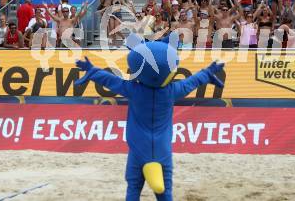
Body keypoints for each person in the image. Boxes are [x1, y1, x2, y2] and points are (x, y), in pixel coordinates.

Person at [74, 34, 224, 201]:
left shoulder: (133, 89)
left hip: (138, 148)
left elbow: (111, 81)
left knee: (134, 187)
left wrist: (92, 71)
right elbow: (192, 81)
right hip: (162, 149)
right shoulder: (173, 90)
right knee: (164, 191)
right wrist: (207, 73)